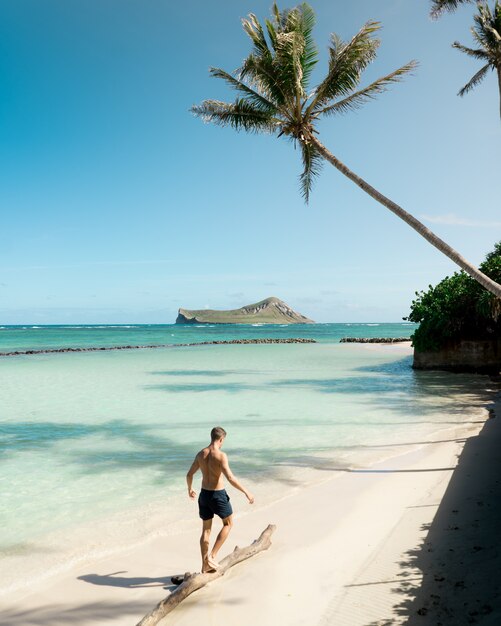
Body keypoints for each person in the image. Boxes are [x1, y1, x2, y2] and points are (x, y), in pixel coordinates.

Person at [186, 426, 254, 573]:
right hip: (218, 495)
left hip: (204, 496)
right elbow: (230, 478)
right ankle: (212, 556)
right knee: (228, 523)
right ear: (221, 439)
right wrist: (246, 491)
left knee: (206, 530)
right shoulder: (221, 456)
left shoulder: (200, 454)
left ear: (211, 437)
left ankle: (204, 565)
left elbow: (189, 474)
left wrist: (190, 489)